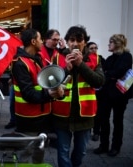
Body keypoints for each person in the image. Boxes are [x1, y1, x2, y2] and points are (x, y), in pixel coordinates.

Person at [51, 25, 105, 167]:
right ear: (67, 42)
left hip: (85, 114)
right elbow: (51, 83)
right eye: (72, 40)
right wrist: (66, 70)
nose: (75, 43)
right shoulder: (57, 59)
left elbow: (99, 81)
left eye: (79, 40)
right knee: (62, 151)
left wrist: (81, 65)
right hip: (62, 114)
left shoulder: (95, 59)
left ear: (85, 42)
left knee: (81, 151)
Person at [11, 28, 65, 163]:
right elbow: (28, 94)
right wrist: (50, 94)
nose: (42, 42)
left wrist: (58, 92)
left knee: (38, 154)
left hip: (42, 117)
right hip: (28, 120)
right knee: (26, 155)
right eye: (40, 39)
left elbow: (46, 83)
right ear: (33, 41)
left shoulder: (38, 58)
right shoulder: (20, 63)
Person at [94, 34, 132, 157]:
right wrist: (110, 74)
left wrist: (109, 74)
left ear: (117, 44)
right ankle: (103, 145)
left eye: (111, 42)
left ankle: (116, 147)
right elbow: (104, 72)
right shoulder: (110, 58)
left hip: (120, 95)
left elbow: (119, 71)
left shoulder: (126, 56)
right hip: (106, 94)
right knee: (104, 120)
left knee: (118, 120)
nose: (108, 44)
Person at [86, 42, 105, 142]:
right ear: (87, 49)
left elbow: (104, 73)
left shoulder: (100, 58)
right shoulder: (85, 59)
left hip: (100, 91)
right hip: (89, 91)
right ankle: (88, 131)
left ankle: (96, 132)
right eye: (91, 48)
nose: (94, 50)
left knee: (98, 113)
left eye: (95, 48)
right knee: (89, 112)